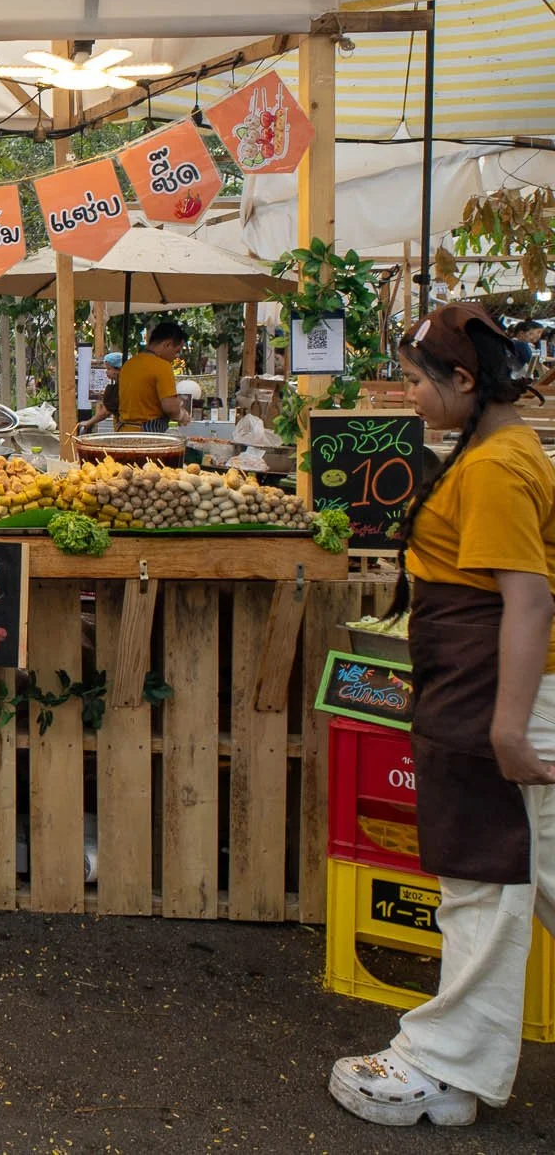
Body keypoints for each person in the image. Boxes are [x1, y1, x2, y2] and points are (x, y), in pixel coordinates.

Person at [329, 303, 555, 1130]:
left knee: (484, 881)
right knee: (514, 870)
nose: (407, 395)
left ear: (466, 380)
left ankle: (448, 1064)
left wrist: (508, 725)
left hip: (495, 693)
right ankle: (455, 1060)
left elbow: (528, 602)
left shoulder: (497, 467)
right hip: (479, 685)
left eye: (419, 381)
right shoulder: (493, 450)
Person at [116, 320, 187, 433]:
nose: (176, 356)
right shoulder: (162, 366)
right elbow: (170, 407)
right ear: (167, 344)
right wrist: (182, 415)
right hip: (146, 437)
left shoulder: (129, 364)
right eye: (176, 351)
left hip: (123, 432)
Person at [79, 352, 124, 435]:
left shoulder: (120, 388)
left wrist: (88, 423)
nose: (107, 372)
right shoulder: (117, 386)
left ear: (119, 369)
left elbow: (105, 412)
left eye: (109, 369)